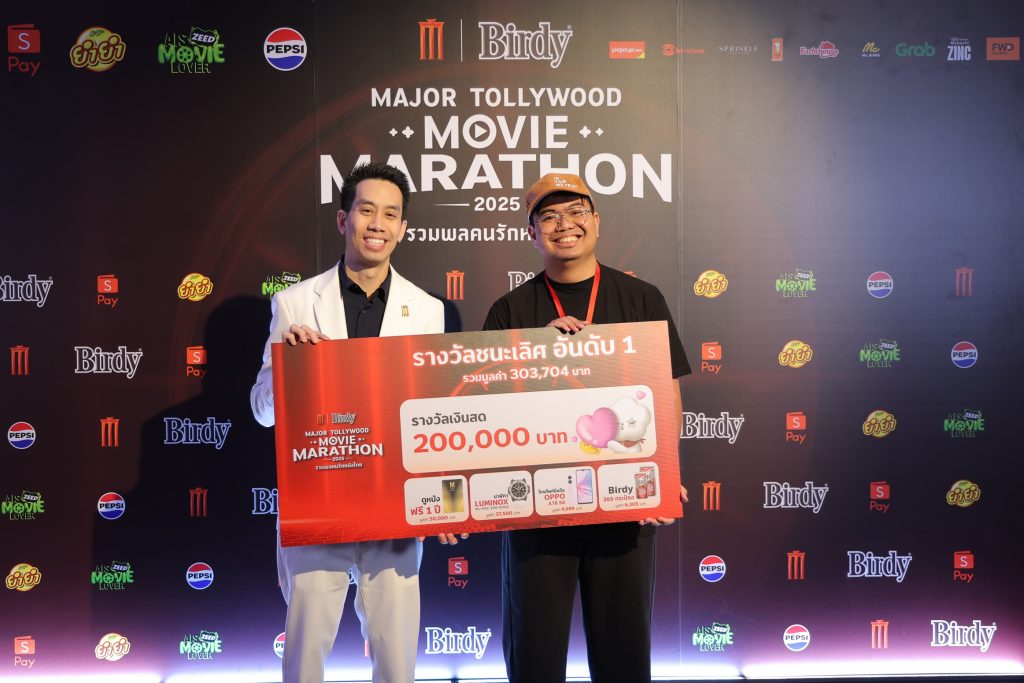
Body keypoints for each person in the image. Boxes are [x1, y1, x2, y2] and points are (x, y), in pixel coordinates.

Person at [482, 173, 692, 683]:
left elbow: (666, 393)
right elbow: (488, 411)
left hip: (624, 506)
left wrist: (663, 476)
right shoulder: (510, 311)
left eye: (576, 211)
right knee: (534, 656)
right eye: (549, 216)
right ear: (532, 232)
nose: (565, 225)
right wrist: (535, 353)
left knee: (624, 655)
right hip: (537, 511)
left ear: (596, 221)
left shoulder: (641, 299)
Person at [251, 162, 454, 683]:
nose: (377, 224)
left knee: (396, 659)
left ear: (403, 228)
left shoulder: (426, 309)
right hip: (318, 499)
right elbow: (262, 412)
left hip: (394, 504)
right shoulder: (295, 303)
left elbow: (431, 415)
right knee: (304, 656)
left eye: (390, 214)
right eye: (366, 210)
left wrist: (441, 500)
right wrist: (290, 371)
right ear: (344, 220)